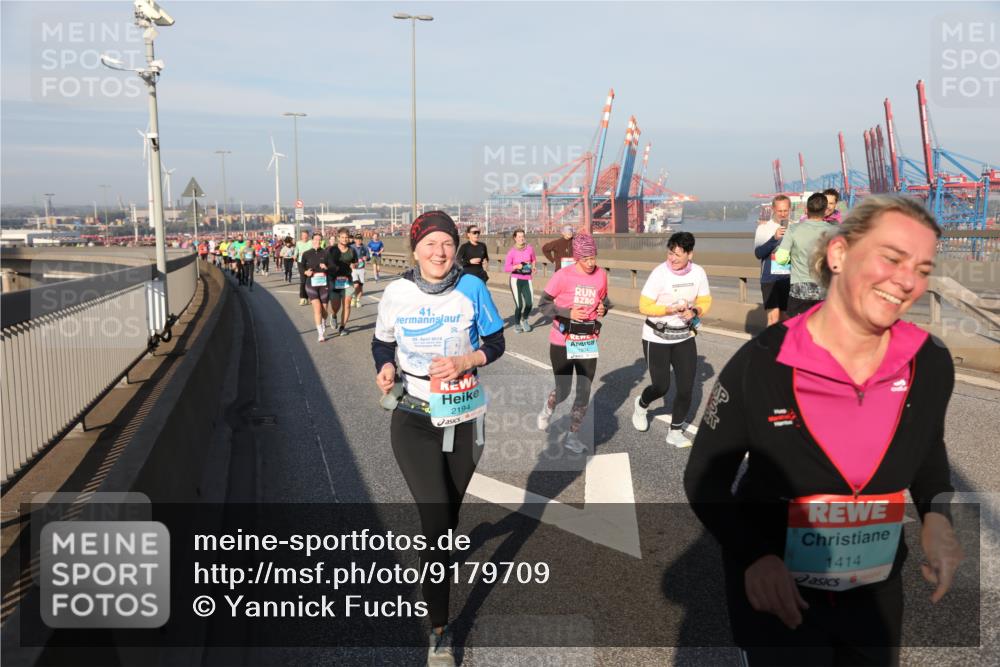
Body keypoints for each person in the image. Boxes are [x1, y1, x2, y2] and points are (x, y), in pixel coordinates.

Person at [684, 195, 962, 666]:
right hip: (781, 600)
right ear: (838, 254)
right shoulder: (763, 363)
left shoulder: (929, 362)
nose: (907, 281)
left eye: (922, 268)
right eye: (891, 258)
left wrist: (936, 513)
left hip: (874, 598)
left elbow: (926, 447)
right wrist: (754, 556)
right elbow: (704, 480)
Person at [372, 211, 505, 667]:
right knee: (434, 522)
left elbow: (497, 341)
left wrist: (469, 360)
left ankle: (442, 551)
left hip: (465, 417)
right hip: (413, 417)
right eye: (430, 244)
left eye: (447, 243)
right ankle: (440, 631)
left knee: (448, 516)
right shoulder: (396, 292)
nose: (440, 252)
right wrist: (385, 368)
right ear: (414, 250)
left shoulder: (472, 287)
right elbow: (381, 343)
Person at [631, 232, 711, 448]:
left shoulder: (698, 273)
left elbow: (705, 299)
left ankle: (675, 431)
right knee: (661, 386)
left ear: (689, 254)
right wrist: (669, 309)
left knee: (686, 389)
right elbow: (644, 306)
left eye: (677, 254)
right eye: (670, 253)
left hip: (684, 336)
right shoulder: (659, 274)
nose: (672, 259)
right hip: (656, 336)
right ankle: (642, 403)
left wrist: (695, 311)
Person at [535, 233, 611, 453]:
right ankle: (548, 409)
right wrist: (568, 312)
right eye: (586, 259)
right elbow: (543, 305)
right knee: (564, 389)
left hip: (587, 341)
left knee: (584, 390)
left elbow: (604, 299)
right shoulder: (563, 276)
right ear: (577, 257)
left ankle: (572, 435)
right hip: (562, 340)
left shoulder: (601, 275)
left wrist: (604, 309)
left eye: (593, 258)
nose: (591, 263)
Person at [775, 192, 836, 317]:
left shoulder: (793, 230)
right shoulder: (834, 232)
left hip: (799, 290)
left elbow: (780, 259)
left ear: (806, 210)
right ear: (825, 211)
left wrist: (793, 258)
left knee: (797, 330)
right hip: (824, 290)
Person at [754, 195, 792, 326]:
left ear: (790, 209)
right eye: (779, 210)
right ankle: (771, 346)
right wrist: (774, 239)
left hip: (789, 279)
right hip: (770, 278)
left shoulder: (795, 227)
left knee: (787, 319)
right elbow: (758, 253)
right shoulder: (763, 228)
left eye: (785, 210)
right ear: (773, 209)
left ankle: (785, 346)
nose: (783, 214)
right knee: (773, 318)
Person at [503, 229, 536, 332]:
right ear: (515, 238)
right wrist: (516, 266)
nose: (521, 238)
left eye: (523, 236)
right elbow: (506, 268)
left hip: (527, 279)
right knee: (519, 305)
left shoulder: (530, 248)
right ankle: (517, 324)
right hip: (516, 280)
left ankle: (524, 319)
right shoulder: (511, 252)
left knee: (530, 303)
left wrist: (533, 267)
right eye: (519, 237)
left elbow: (533, 259)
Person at [300, 233, 331, 342]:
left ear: (322, 241)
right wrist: (305, 271)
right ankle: (320, 333)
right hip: (311, 283)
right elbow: (301, 266)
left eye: (319, 240)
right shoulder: (306, 254)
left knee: (324, 310)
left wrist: (326, 267)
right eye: (315, 239)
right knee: (317, 308)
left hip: (324, 284)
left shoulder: (326, 253)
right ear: (312, 240)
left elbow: (332, 267)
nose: (317, 241)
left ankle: (323, 322)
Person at [326, 228, 356, 335]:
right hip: (334, 280)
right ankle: (333, 315)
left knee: (347, 304)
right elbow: (326, 262)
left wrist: (354, 265)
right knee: (335, 305)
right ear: (338, 238)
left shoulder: (352, 250)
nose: (344, 239)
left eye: (346, 237)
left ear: (348, 238)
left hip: (347, 280)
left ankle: (342, 328)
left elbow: (355, 262)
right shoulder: (331, 250)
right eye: (342, 237)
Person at [351, 233, 370, 308]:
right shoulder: (351, 247)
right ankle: (353, 297)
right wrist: (350, 263)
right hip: (354, 269)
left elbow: (368, 256)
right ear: (355, 240)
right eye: (357, 239)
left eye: (360, 239)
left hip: (361, 269)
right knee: (356, 285)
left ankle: (358, 300)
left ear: (361, 240)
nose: (358, 240)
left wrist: (366, 258)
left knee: (361, 286)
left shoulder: (365, 247)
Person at [295, 230, 312, 305]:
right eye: (303, 235)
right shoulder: (298, 243)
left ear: (308, 236)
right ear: (301, 236)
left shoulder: (311, 242)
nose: (304, 237)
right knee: (303, 281)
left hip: (310, 263)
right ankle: (303, 298)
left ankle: (311, 297)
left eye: (306, 235)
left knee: (310, 280)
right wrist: (295, 255)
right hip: (301, 262)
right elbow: (296, 250)